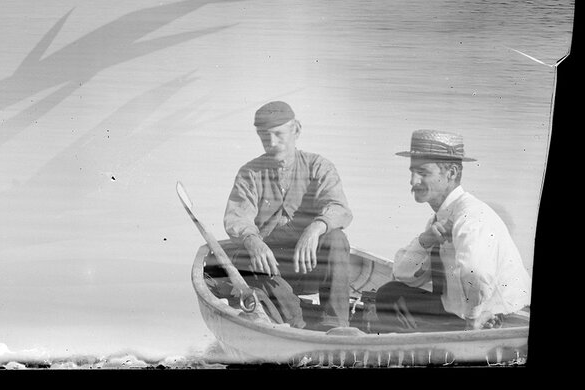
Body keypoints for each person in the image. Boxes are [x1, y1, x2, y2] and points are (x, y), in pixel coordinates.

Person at [212, 100, 357, 330]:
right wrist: (253, 241)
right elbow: (236, 218)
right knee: (245, 257)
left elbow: (339, 208)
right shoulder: (249, 173)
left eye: (279, 134)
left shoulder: (319, 166)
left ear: (296, 129)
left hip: (309, 265)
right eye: (264, 136)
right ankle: (296, 326)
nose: (271, 143)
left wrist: (315, 228)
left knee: (336, 239)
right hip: (269, 265)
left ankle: (336, 325)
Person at [368, 130, 531, 332]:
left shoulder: (470, 217)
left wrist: (473, 319)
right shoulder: (441, 219)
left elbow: (477, 274)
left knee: (389, 298)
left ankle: (430, 349)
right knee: (390, 294)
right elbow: (403, 274)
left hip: (503, 318)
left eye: (423, 173)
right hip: (463, 312)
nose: (413, 181)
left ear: (451, 173)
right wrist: (424, 240)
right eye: (412, 172)